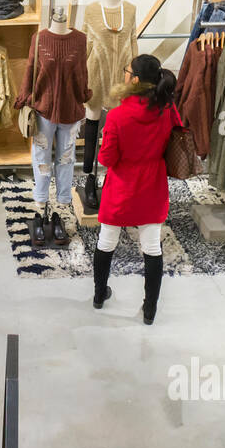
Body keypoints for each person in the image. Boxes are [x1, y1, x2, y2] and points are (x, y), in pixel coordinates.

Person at [92, 53, 181, 324]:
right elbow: (175, 141)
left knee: (106, 240)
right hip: (152, 184)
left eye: (127, 70)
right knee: (152, 247)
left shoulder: (118, 116)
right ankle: (150, 308)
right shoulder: (168, 110)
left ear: (136, 79)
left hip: (121, 186)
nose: (124, 74)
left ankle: (99, 295)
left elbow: (106, 159)